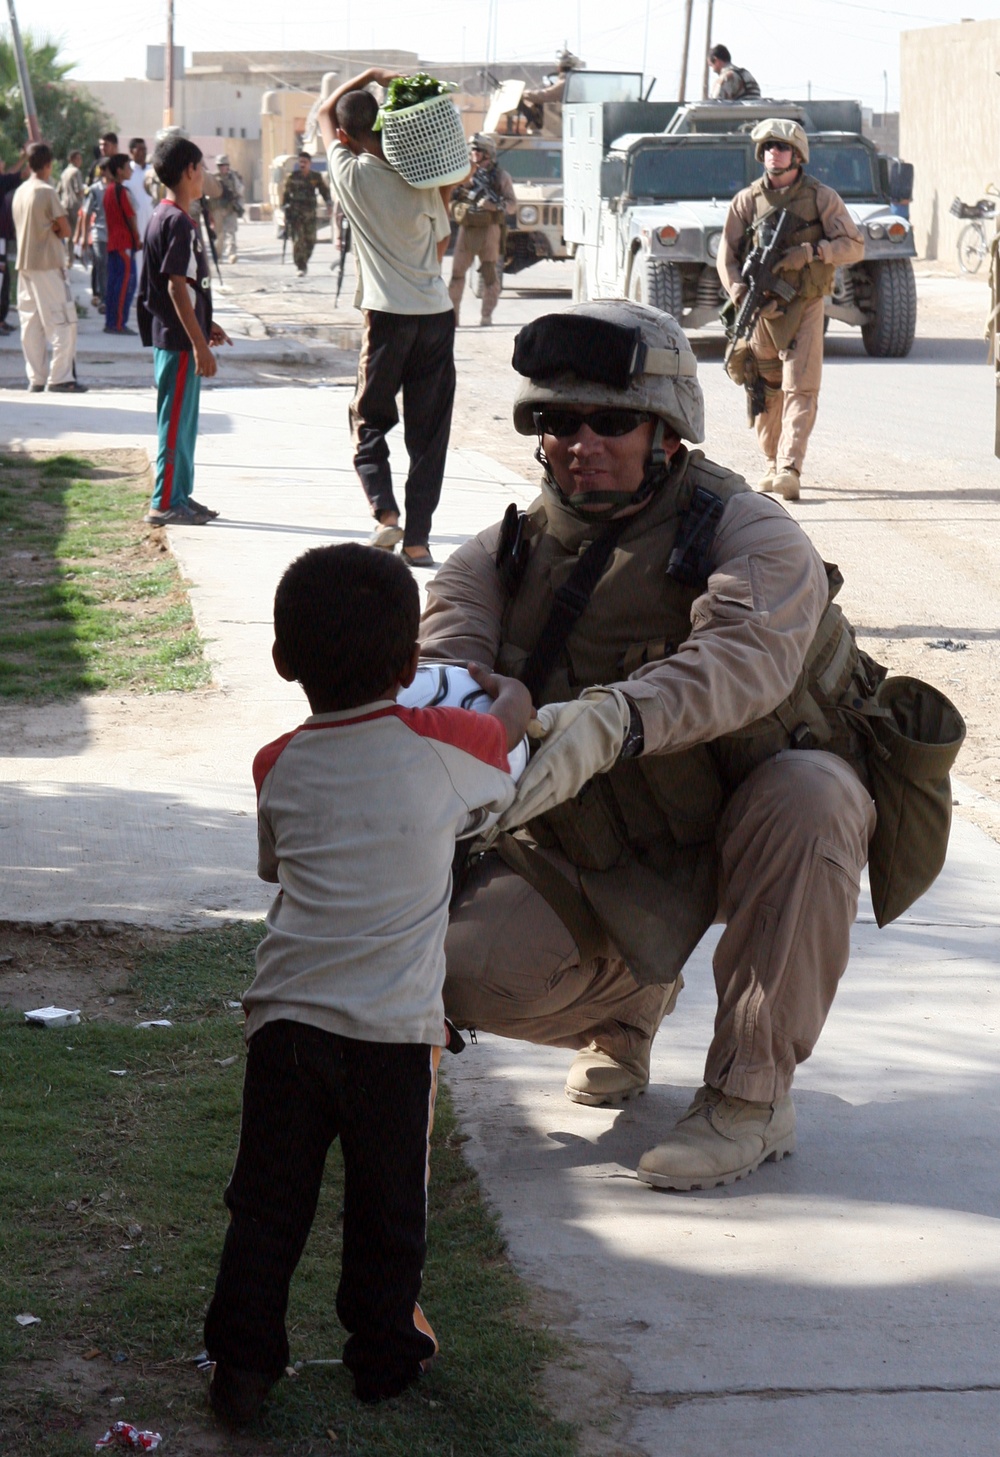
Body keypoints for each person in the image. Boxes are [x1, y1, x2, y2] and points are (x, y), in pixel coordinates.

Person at [416, 297, 893, 1192]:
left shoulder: (750, 533)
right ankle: (627, 1013)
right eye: (556, 420)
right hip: (600, 852)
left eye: (612, 421)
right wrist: (475, 710)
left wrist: (608, 718)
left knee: (815, 792)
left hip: (745, 830)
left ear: (667, 433)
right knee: (457, 970)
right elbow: (443, 667)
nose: (579, 442)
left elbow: (741, 660)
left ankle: (750, 1098)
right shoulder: (498, 557)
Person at [203, 542, 530, 1423]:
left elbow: (278, 867)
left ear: (282, 661)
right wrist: (509, 696)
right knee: (388, 1209)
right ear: (409, 663)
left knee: (267, 1205)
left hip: (286, 1022)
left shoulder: (279, 761)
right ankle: (384, 1358)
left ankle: (240, 1366)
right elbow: (505, 747)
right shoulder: (450, 744)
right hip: (392, 1033)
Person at [318, 68, 457, 570]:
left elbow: (321, 113)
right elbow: (440, 244)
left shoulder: (349, 173)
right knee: (429, 432)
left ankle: (385, 512)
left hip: (387, 318)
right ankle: (418, 542)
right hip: (436, 315)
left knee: (368, 418)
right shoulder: (421, 180)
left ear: (344, 136)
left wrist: (370, 75)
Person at [717, 118, 865, 500]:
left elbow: (854, 246)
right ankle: (771, 461)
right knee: (764, 385)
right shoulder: (747, 200)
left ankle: (790, 467)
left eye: (780, 147)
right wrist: (736, 289)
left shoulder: (821, 197)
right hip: (762, 308)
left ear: (797, 155)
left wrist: (814, 252)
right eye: (767, 148)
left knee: (801, 385)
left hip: (805, 303)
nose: (773, 154)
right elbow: (726, 256)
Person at [137, 134, 230, 525]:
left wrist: (208, 326)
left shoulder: (167, 215)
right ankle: (164, 502)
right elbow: (175, 285)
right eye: (202, 168)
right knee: (174, 424)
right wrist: (198, 345)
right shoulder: (177, 221)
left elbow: (185, 287)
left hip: (181, 339)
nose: (204, 175)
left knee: (186, 423)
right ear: (190, 171)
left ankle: (180, 495)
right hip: (177, 345)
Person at [12, 141, 85, 393]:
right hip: (47, 263)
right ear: (48, 164)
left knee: (31, 323)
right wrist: (53, 227)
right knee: (62, 320)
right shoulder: (46, 191)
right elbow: (64, 228)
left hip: (24, 264)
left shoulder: (20, 191)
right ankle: (60, 377)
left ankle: (37, 378)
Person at [448, 133, 516, 327]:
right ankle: (453, 318)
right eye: (473, 150)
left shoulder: (501, 177)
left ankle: (486, 316)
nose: (474, 154)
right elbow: (451, 197)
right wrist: (460, 208)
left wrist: (494, 206)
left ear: (488, 153)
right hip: (467, 230)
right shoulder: (464, 174)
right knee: (457, 275)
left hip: (490, 231)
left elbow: (512, 204)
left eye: (478, 150)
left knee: (489, 277)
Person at [102, 153, 142, 335]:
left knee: (113, 283)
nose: (130, 170)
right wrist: (137, 237)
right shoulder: (121, 191)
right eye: (127, 167)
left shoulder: (108, 190)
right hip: (124, 243)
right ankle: (118, 324)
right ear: (119, 171)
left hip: (113, 243)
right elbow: (131, 217)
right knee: (125, 285)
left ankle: (111, 321)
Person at [281, 151, 331, 276]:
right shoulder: (293, 177)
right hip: (296, 215)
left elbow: (324, 192)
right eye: (301, 162)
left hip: (310, 214)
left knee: (311, 240)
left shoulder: (316, 177)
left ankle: (304, 260)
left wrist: (329, 204)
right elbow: (285, 195)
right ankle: (301, 266)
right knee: (298, 240)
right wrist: (284, 209)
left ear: (310, 163)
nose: (302, 164)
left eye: (305, 162)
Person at [76, 160, 109, 308]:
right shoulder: (94, 190)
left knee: (108, 268)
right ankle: (102, 297)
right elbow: (86, 213)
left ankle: (105, 297)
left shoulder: (119, 189)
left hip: (114, 236)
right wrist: (83, 237)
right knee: (101, 267)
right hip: (99, 234)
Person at [124, 137, 155, 278]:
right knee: (136, 260)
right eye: (139, 149)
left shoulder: (152, 171)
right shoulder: (127, 173)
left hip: (152, 221)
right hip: (134, 224)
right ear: (131, 151)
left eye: (145, 149)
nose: (143, 152)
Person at [207, 154, 244, 263]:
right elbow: (208, 193)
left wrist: (239, 205)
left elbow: (240, 191)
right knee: (220, 234)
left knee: (231, 232)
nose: (223, 168)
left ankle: (232, 254)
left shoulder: (233, 177)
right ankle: (218, 256)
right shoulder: (213, 177)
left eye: (225, 165)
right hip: (217, 209)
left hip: (230, 209)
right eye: (220, 165)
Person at [57, 149, 85, 264]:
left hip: (64, 204)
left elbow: (58, 190)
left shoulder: (64, 172)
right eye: (78, 158)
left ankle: (66, 256)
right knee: (74, 233)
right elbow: (79, 190)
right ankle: (71, 258)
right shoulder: (76, 172)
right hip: (75, 205)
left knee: (66, 232)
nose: (80, 161)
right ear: (72, 160)